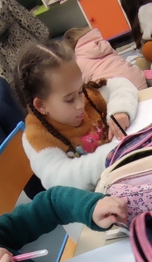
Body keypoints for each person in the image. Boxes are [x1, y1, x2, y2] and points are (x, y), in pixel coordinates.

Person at [16, 41, 140, 191]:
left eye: (80, 91)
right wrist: (112, 153)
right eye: (69, 100)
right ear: (41, 106)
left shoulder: (83, 97)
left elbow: (121, 84)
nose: (80, 104)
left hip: (123, 174)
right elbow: (59, 179)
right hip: (96, 202)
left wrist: (120, 110)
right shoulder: (36, 137)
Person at [65, 25, 147, 89]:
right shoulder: (103, 44)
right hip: (139, 82)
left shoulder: (79, 61)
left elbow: (82, 84)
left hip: (118, 93)